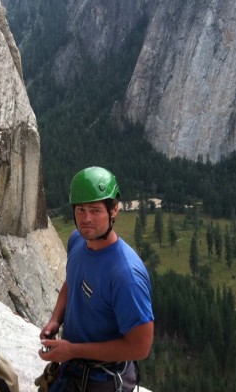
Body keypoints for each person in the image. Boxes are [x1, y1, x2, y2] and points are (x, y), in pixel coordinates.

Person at [38, 167, 154, 392]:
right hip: (72, 368)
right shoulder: (77, 241)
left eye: (95, 210)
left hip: (104, 380)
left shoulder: (125, 275)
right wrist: (55, 320)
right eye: (80, 209)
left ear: (114, 211)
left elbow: (141, 347)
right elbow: (72, 281)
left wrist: (73, 350)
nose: (86, 219)